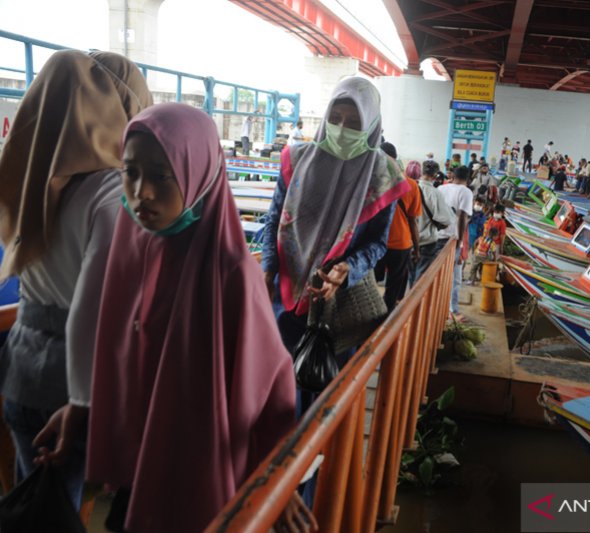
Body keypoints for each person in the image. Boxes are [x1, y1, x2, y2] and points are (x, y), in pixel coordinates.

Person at [84, 103, 305, 533]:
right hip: (141, 461)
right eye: (130, 173)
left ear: (198, 171)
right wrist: (82, 411)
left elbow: (271, 383)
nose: (141, 192)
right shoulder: (134, 247)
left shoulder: (230, 272)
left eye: (162, 175)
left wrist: (277, 471)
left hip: (198, 468)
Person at [0, 50, 152, 512]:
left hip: (21, 366)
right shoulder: (112, 193)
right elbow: (104, 302)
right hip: (75, 387)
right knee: (60, 512)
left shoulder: (32, 180)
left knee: (38, 504)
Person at [262, 77, 408, 356]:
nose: (341, 130)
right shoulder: (295, 160)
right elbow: (275, 219)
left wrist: (349, 269)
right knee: (279, 377)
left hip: (336, 302)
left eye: (354, 123)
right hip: (283, 292)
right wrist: (267, 269)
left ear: (371, 125)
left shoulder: (382, 176)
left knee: (326, 385)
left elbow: (378, 243)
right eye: (335, 118)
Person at [375, 151, 422, 312]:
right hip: (401, 244)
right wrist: (416, 248)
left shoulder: (373, 181)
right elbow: (413, 221)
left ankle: (371, 314)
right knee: (393, 287)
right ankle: (386, 321)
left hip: (374, 243)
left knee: (371, 283)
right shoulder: (411, 185)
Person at [437, 166, 473, 319]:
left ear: (453, 175)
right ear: (468, 178)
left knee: (436, 275)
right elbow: (463, 217)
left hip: (437, 236)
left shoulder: (441, 188)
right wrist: (459, 241)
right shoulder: (465, 192)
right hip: (452, 239)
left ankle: (438, 307)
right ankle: (453, 310)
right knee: (455, 278)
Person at [412, 160, 454, 283]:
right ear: (435, 175)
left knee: (409, 275)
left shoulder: (410, 188)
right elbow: (446, 220)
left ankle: (406, 299)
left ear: (421, 172)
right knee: (420, 281)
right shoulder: (435, 193)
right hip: (426, 243)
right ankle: (416, 301)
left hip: (408, 242)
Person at [468, 204, 506, 284]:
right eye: (495, 211)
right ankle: (479, 277)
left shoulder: (502, 223)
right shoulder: (491, 219)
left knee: (490, 263)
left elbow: (502, 235)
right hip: (485, 244)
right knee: (481, 263)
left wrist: (502, 246)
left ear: (502, 213)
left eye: (498, 212)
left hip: (496, 245)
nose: (496, 213)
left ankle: (489, 277)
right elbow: (486, 230)